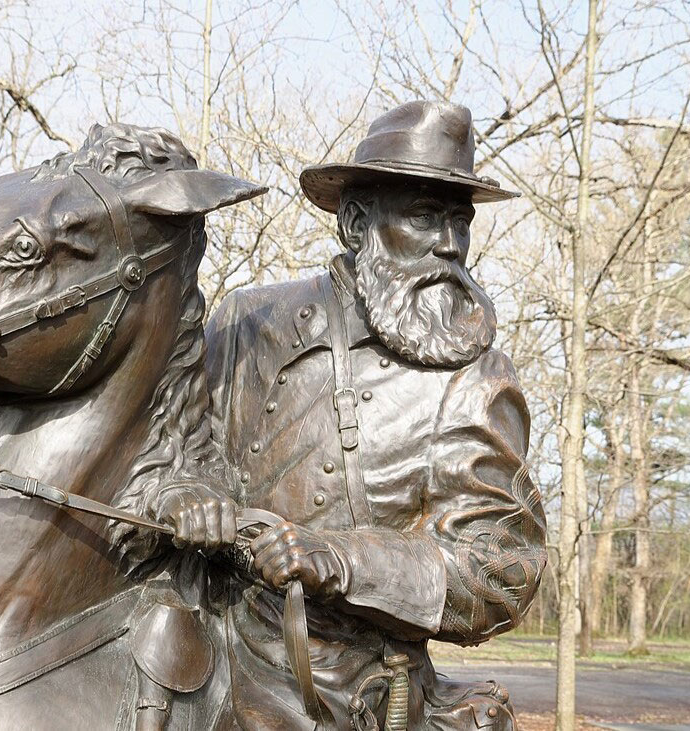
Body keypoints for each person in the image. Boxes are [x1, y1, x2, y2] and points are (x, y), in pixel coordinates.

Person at [161, 100, 548, 729]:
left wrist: (338, 560)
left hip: (355, 696)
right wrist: (186, 495)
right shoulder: (247, 323)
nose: (450, 245)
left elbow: (501, 570)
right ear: (356, 222)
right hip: (200, 654)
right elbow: (173, 447)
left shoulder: (477, 375)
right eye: (425, 216)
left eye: (460, 221)